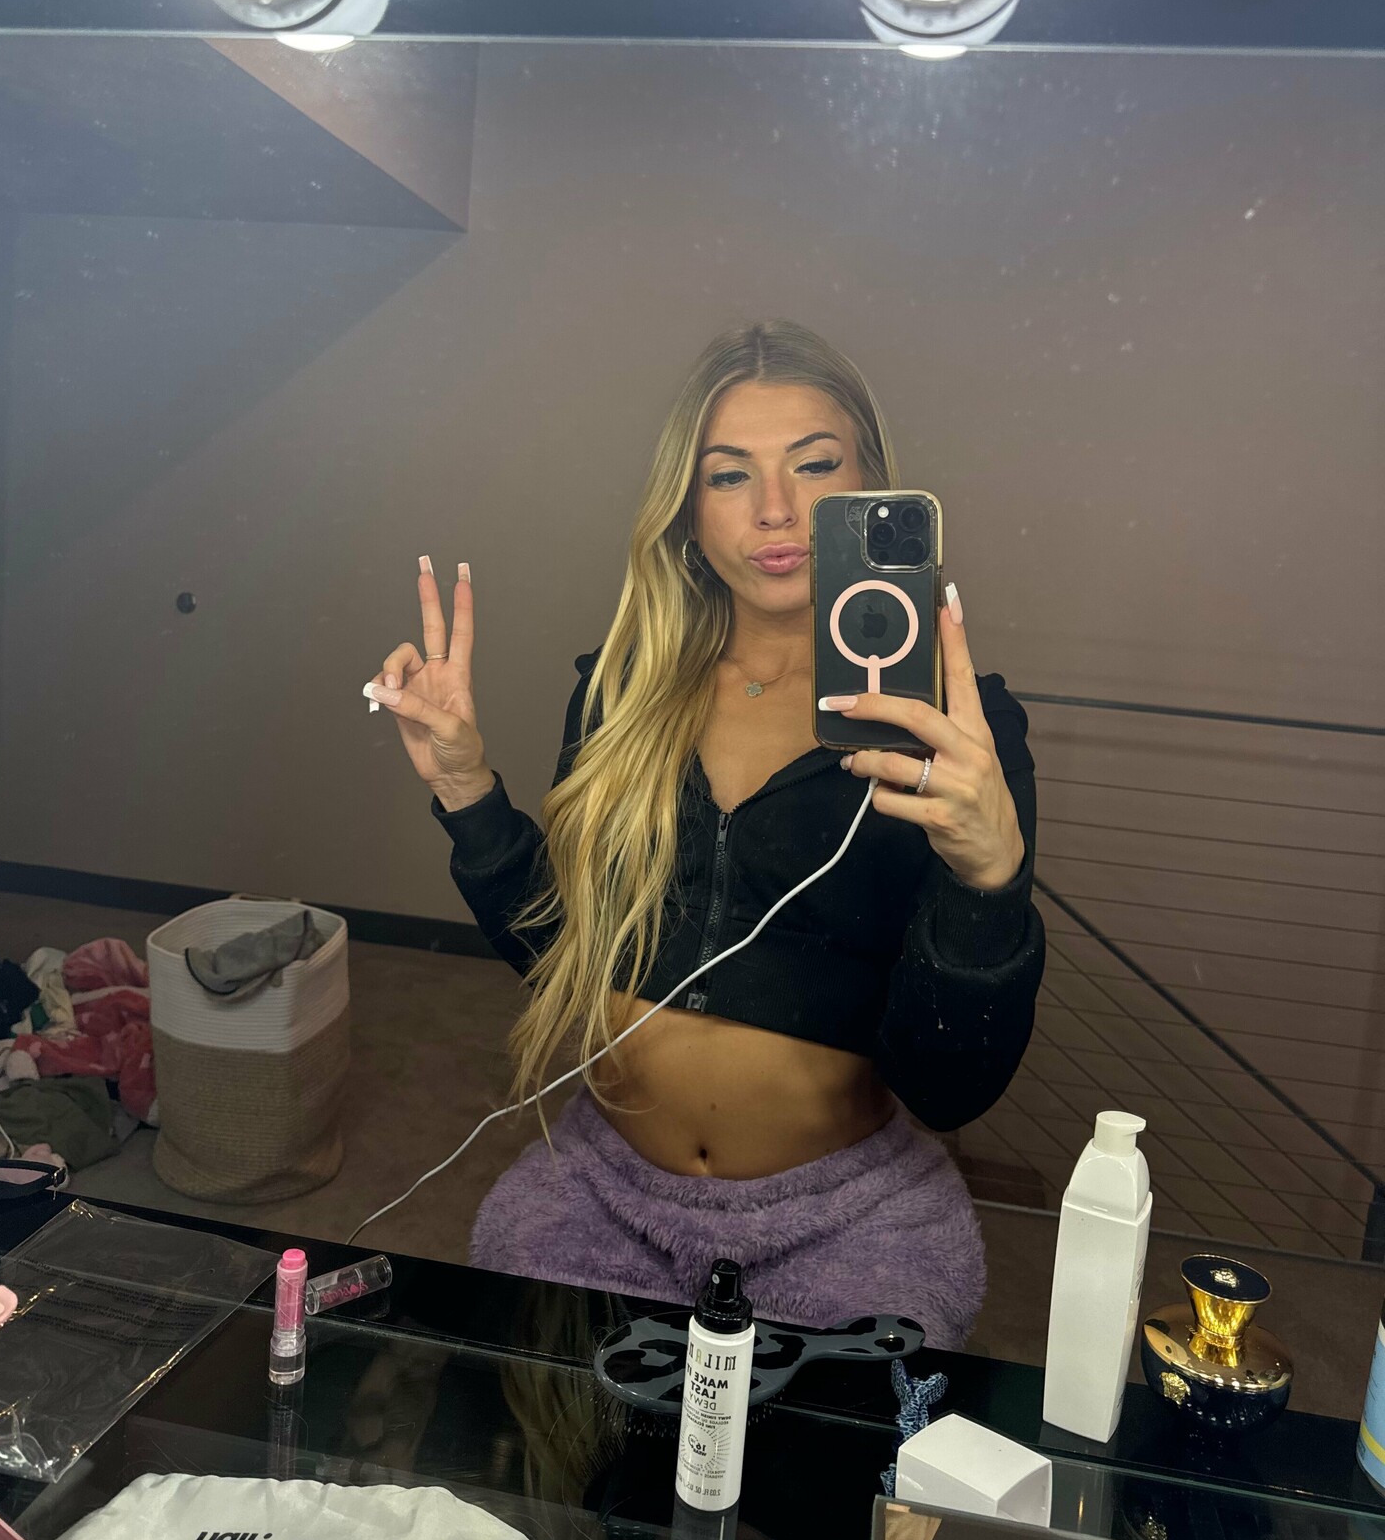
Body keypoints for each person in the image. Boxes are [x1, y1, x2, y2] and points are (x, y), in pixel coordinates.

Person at [365, 320, 1046, 1344]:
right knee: (527, 1426)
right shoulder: (621, 693)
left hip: (841, 1217)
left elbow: (951, 1088)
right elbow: (566, 956)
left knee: (826, 1447)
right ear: (687, 509)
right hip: (604, 1189)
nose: (775, 508)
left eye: (814, 465)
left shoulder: (955, 733)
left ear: (872, 485)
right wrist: (467, 791)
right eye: (730, 475)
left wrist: (988, 887)